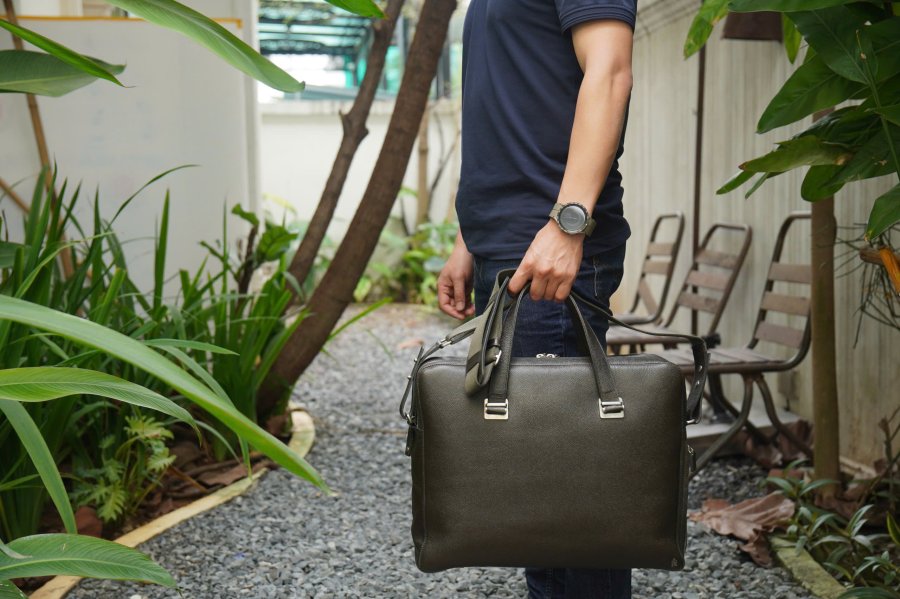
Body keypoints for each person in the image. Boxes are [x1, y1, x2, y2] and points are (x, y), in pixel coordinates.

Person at [436, 0, 636, 597]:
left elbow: (610, 72)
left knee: (569, 479)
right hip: (508, 248)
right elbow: (504, 107)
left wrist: (568, 222)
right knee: (537, 478)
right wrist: (469, 240)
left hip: (549, 250)